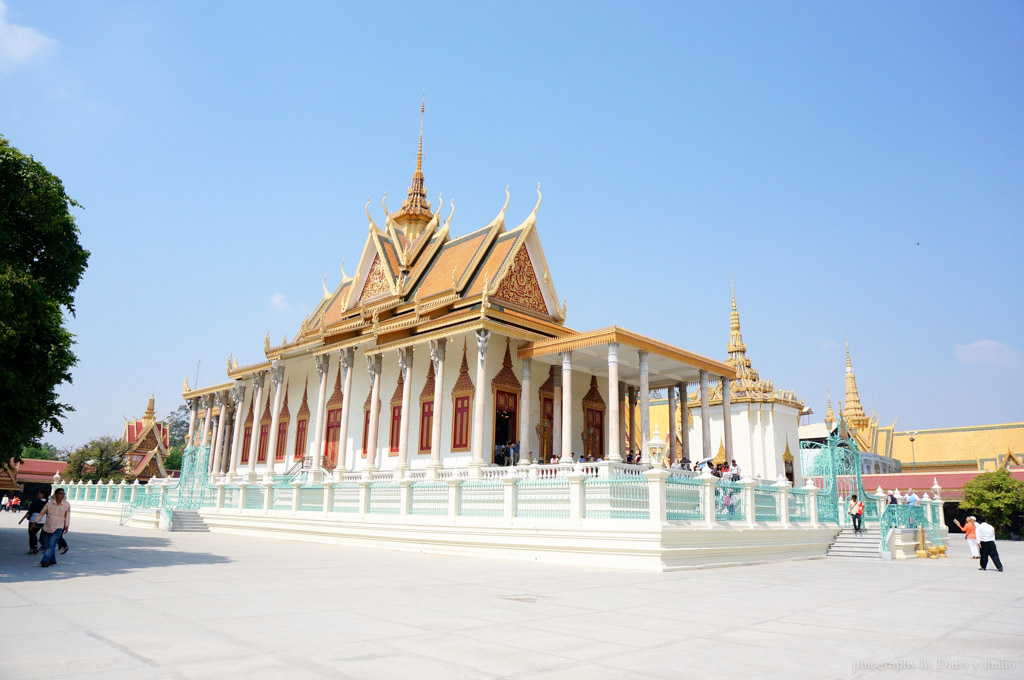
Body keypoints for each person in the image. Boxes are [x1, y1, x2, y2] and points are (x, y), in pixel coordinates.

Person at [31, 488, 70, 568]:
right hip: (48, 526)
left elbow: (67, 515)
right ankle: (52, 560)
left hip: (59, 526)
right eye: (61, 493)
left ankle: (44, 560)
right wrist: (35, 522)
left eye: (63, 494)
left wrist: (66, 525)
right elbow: (42, 513)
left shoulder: (66, 504)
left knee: (51, 545)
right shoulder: (49, 503)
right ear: (56, 494)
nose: (62, 495)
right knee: (48, 544)